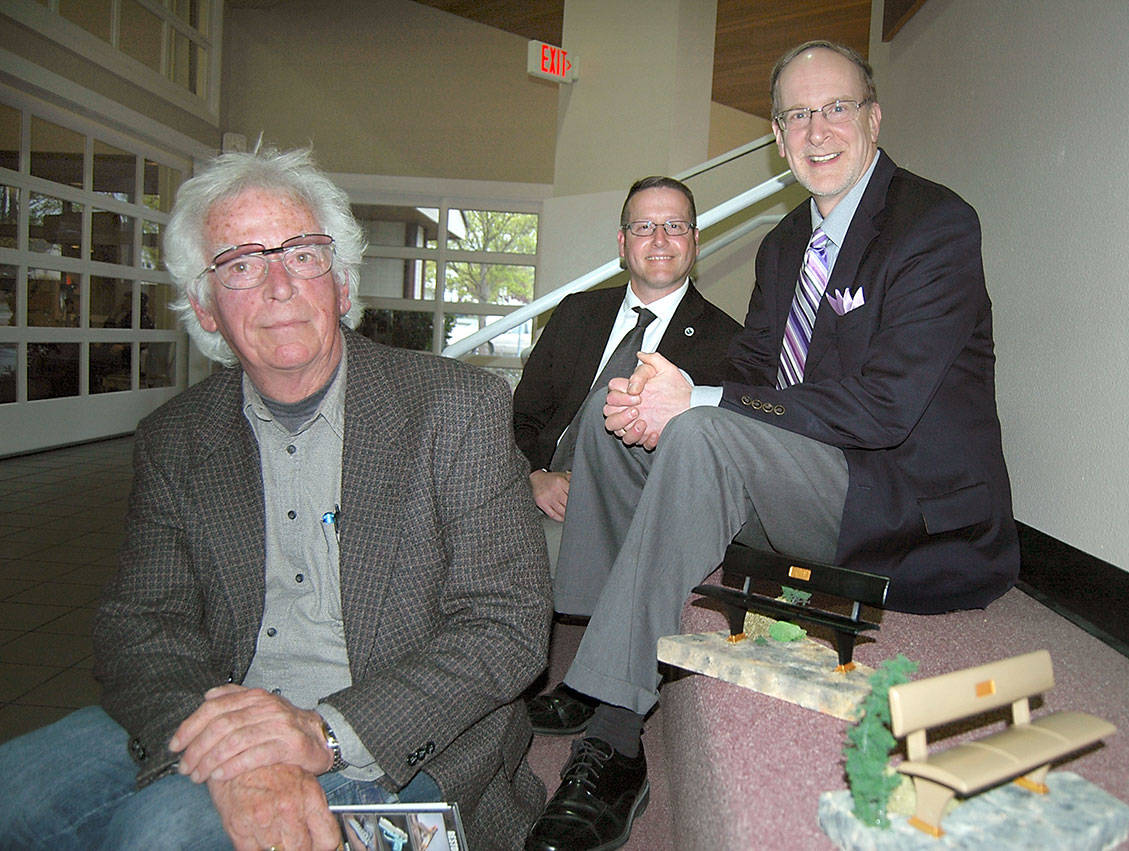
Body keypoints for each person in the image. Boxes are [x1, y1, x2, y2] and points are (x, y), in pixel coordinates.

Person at [523, 41, 1019, 851]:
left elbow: (885, 409)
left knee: (707, 431)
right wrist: (657, 403)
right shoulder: (786, 242)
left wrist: (701, 402)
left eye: (837, 108)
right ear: (778, 140)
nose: (818, 130)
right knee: (619, 425)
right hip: (807, 476)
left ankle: (614, 741)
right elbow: (757, 370)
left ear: (873, 119)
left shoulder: (935, 224)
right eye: (797, 114)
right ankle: (600, 648)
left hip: (900, 497)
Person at [0, 147, 552, 851]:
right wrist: (225, 748)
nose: (279, 286)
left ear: (342, 284)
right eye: (240, 263)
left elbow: (507, 625)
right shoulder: (174, 437)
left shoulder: (456, 408)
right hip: (219, 707)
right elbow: (142, 621)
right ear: (204, 305)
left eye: (301, 254)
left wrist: (320, 731)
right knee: (12, 791)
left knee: (163, 833)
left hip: (398, 736)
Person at [511, 176, 740, 561]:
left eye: (675, 226)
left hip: (638, 521)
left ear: (695, 242)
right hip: (538, 501)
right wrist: (534, 477)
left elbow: (715, 466)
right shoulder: (574, 314)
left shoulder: (730, 343)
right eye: (644, 227)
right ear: (623, 243)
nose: (660, 239)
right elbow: (521, 417)